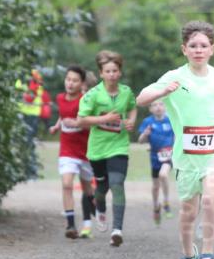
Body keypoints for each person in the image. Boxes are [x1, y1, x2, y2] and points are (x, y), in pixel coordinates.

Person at [136, 20, 214, 259]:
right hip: (187, 155)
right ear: (184, 49)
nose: (199, 50)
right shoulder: (174, 77)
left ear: (212, 49)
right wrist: (163, 90)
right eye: (193, 46)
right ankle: (189, 257)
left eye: (204, 45)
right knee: (189, 211)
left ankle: (209, 255)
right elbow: (141, 99)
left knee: (211, 198)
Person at [76, 51, 137, 247]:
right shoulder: (93, 95)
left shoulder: (126, 92)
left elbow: (133, 107)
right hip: (97, 150)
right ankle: (100, 208)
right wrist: (104, 119)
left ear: (119, 73)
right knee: (101, 188)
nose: (111, 74)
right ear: (101, 73)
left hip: (119, 146)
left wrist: (131, 121)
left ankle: (117, 230)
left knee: (117, 184)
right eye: (107, 71)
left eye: (115, 71)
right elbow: (81, 120)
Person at [48, 65, 96, 240]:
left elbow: (92, 122)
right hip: (67, 149)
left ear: (81, 83)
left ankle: (93, 207)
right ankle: (70, 224)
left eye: (75, 80)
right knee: (67, 184)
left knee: (87, 188)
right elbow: (63, 115)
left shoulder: (86, 100)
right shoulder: (60, 98)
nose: (70, 83)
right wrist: (56, 126)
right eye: (68, 79)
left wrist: (77, 123)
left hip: (85, 150)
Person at [138, 100, 175, 225]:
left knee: (163, 175)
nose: (158, 107)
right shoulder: (148, 122)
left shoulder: (171, 120)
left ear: (165, 107)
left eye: (161, 104)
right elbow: (140, 141)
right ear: (150, 109)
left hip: (168, 156)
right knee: (155, 186)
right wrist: (145, 134)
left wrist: (175, 149)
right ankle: (156, 207)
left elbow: (177, 136)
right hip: (155, 157)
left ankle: (166, 202)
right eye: (154, 105)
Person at [15, 68, 52, 178]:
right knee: (28, 142)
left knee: (26, 142)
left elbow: (19, 93)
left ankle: (29, 170)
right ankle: (29, 169)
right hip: (32, 115)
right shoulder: (36, 77)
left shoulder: (22, 78)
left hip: (25, 114)